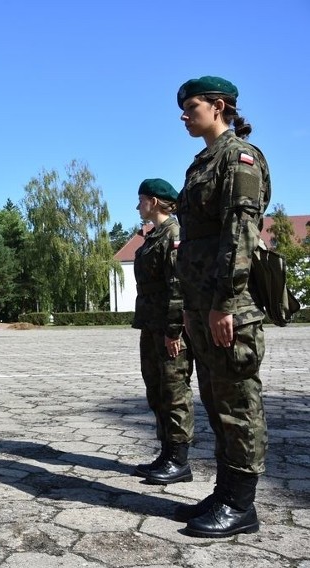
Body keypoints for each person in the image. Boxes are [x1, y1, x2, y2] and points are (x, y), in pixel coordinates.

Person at [173, 76, 270, 537]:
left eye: (191, 106)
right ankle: (225, 490)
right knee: (215, 400)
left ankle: (241, 505)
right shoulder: (201, 164)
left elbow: (241, 234)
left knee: (237, 402)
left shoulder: (238, 158)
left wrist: (224, 303)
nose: (184, 115)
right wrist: (194, 309)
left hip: (228, 305)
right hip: (202, 304)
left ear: (219, 106)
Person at [130, 179, 195, 485]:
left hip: (170, 330)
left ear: (154, 202)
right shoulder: (154, 236)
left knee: (174, 391)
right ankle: (166, 453)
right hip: (152, 326)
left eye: (141, 200)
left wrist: (174, 331)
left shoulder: (174, 234)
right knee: (156, 390)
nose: (138, 205)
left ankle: (179, 461)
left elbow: (178, 285)